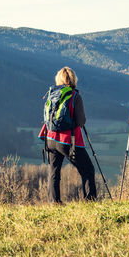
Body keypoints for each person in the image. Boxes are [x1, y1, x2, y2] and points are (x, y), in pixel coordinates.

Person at [39, 66, 97, 203]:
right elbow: (81, 121)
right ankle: (90, 202)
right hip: (67, 140)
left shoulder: (52, 93)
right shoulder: (75, 96)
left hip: (50, 138)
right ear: (73, 79)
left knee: (54, 171)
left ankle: (54, 202)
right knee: (87, 169)